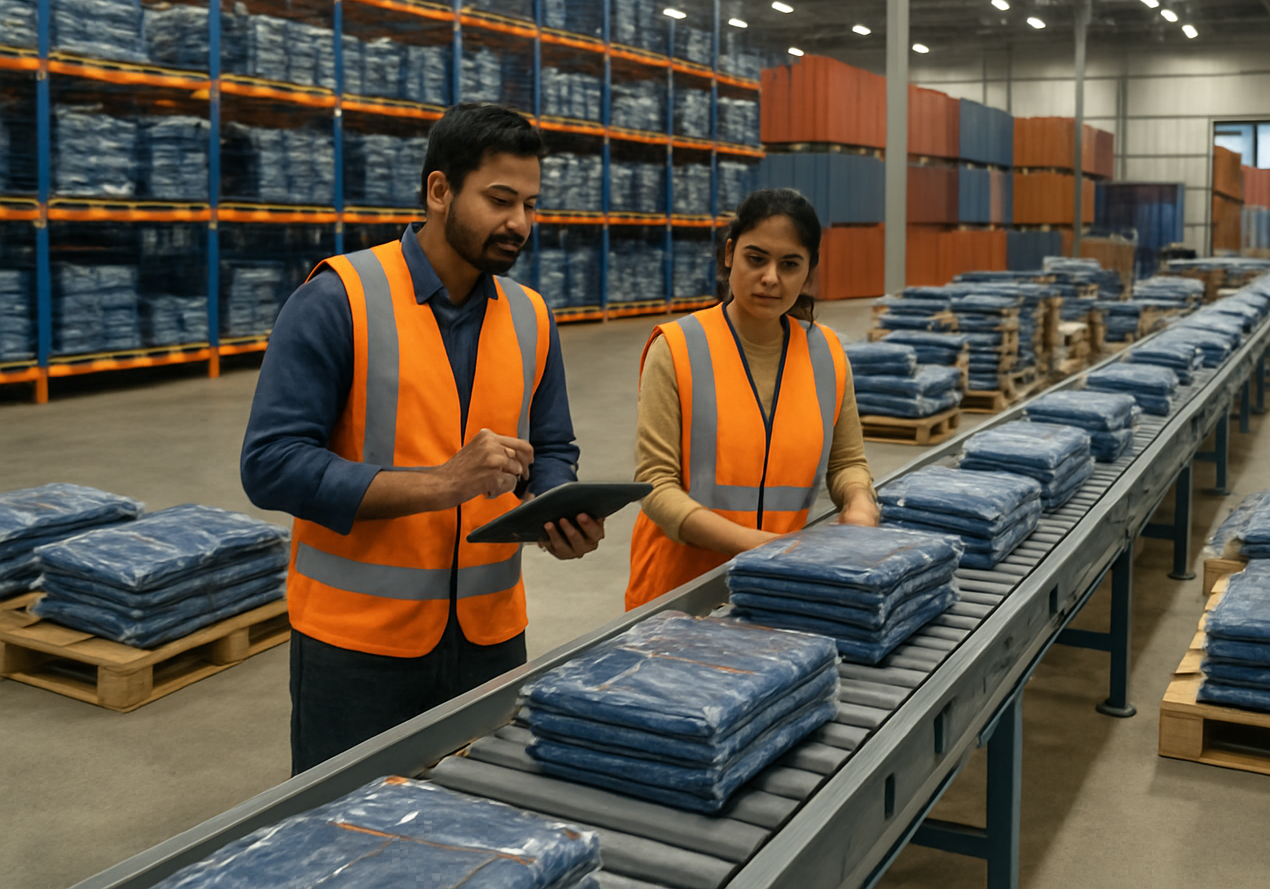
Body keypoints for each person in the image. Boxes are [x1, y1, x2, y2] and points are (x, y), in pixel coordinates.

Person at [240, 104, 604, 774]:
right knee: (348, 845)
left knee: (478, 834)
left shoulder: (530, 316)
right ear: (439, 191)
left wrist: (558, 507)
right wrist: (443, 483)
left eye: (530, 204)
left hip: (491, 636)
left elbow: (553, 448)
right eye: (500, 200)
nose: (520, 224)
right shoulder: (338, 298)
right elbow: (270, 465)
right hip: (358, 647)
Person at [626, 188, 878, 609]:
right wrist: (767, 547)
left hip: (776, 591)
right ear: (729, 254)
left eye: (790, 264)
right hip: (680, 597)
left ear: (809, 271)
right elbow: (654, 485)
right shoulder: (678, 347)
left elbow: (847, 462)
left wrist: (859, 502)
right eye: (756, 258)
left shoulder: (827, 353)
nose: (771, 278)